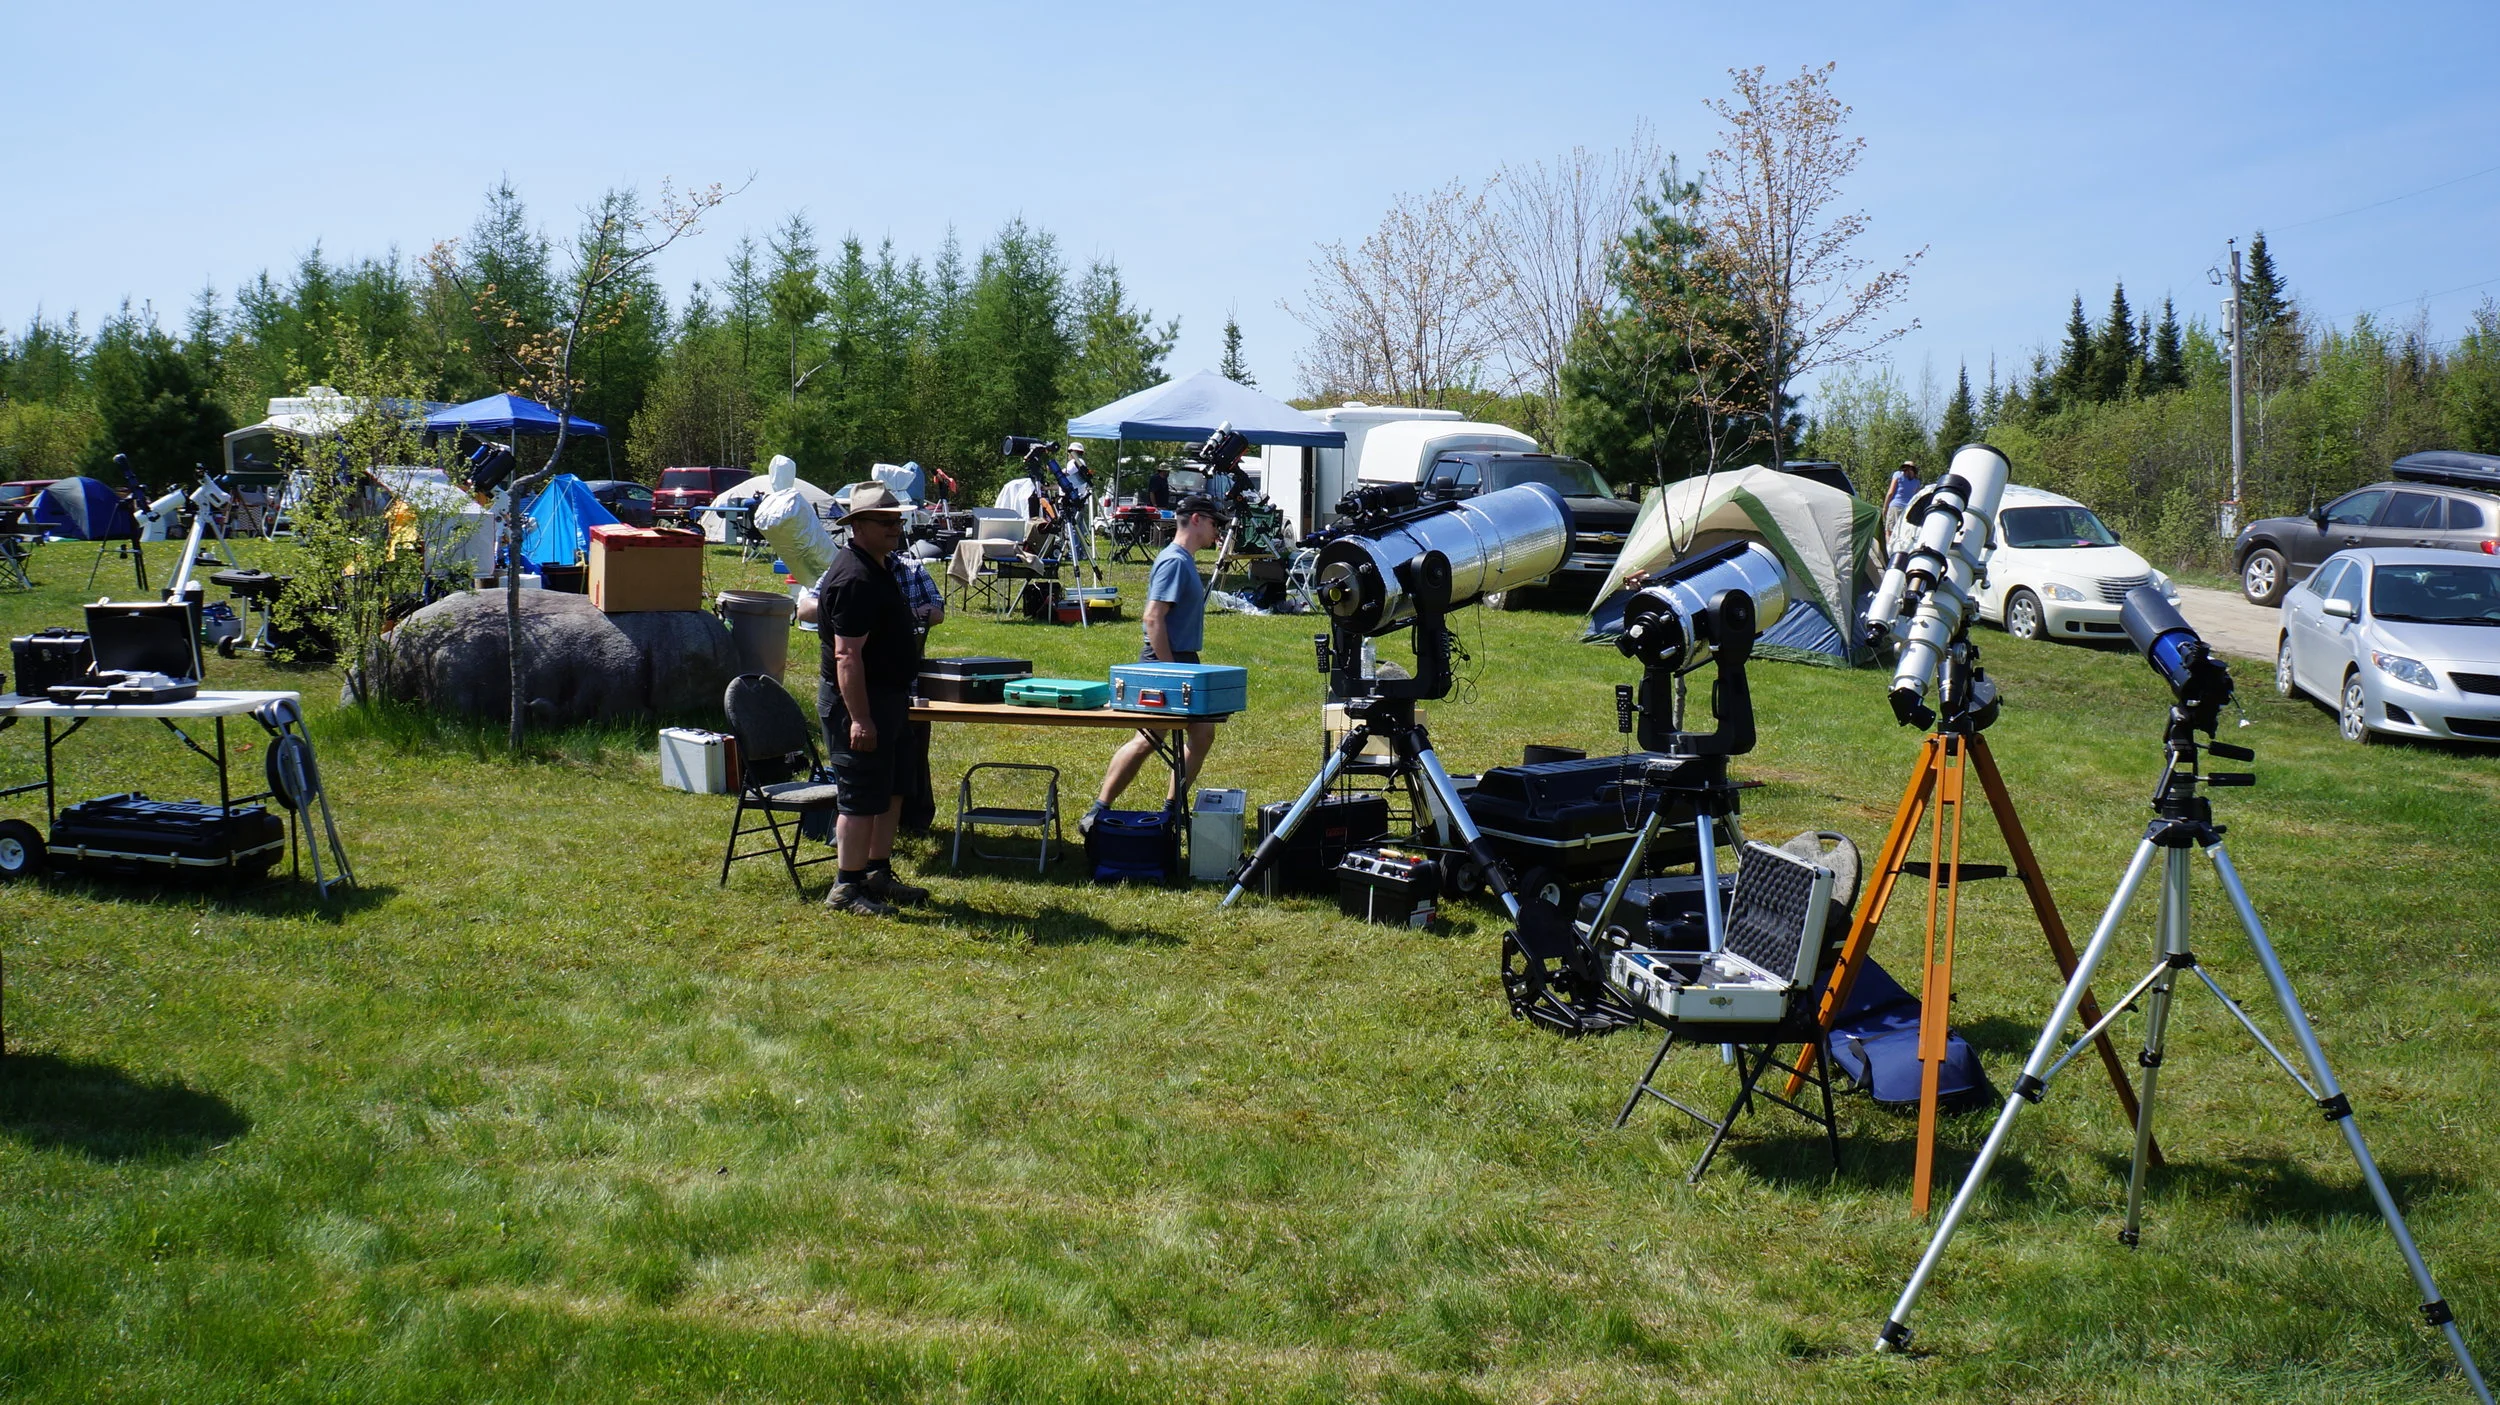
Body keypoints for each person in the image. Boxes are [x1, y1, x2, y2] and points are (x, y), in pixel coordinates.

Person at [813, 481, 929, 917]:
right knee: (860, 797)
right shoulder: (855, 578)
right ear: (857, 525)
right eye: (884, 521)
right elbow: (847, 655)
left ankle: (877, 871)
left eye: (897, 519)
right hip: (859, 704)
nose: (894, 527)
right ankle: (846, 886)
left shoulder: (878, 567)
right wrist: (860, 719)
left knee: (891, 789)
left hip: (888, 698)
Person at [1082, 495, 1228, 832]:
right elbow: (1152, 618)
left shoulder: (1183, 559)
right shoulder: (1174, 561)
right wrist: (1170, 672)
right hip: (1166, 660)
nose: (1217, 531)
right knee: (1148, 739)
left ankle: (1171, 811)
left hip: (1181, 660)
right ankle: (1098, 811)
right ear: (1196, 519)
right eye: (1214, 523)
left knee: (1200, 734)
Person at [1885, 460, 1921, 544]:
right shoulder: (1916, 481)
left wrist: (1885, 508)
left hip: (1896, 506)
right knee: (1901, 533)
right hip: (1908, 509)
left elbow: (1890, 493)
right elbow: (1916, 497)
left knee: (1889, 532)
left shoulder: (1898, 475)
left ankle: (1889, 550)